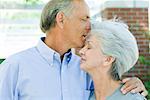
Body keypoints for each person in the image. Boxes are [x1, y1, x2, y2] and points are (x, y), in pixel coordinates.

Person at [0, 0, 147, 100]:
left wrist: (135, 86)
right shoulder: (15, 66)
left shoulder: (86, 68)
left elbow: (111, 88)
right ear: (61, 19)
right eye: (84, 19)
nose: (90, 26)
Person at [79, 20, 147, 100]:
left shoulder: (133, 98)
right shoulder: (86, 95)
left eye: (89, 47)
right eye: (84, 46)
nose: (81, 51)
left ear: (108, 59)